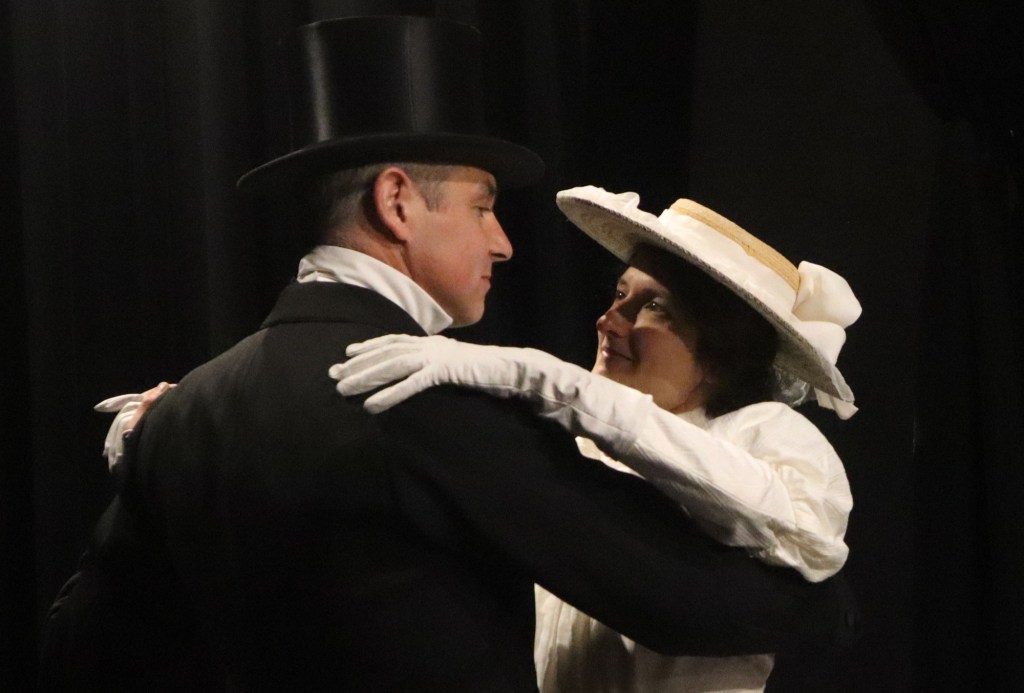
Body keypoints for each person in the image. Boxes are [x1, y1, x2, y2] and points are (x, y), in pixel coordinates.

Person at [40, 16, 858, 693]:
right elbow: (682, 598)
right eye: (482, 206)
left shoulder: (182, 415)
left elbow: (78, 654)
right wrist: (830, 610)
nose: (502, 242)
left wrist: (164, 455)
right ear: (397, 202)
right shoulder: (425, 400)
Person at [328, 186, 862, 692]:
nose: (610, 320)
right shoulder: (578, 447)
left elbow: (805, 536)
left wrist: (543, 377)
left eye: (655, 307)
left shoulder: (765, 431)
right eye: (620, 293)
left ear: (723, 349)